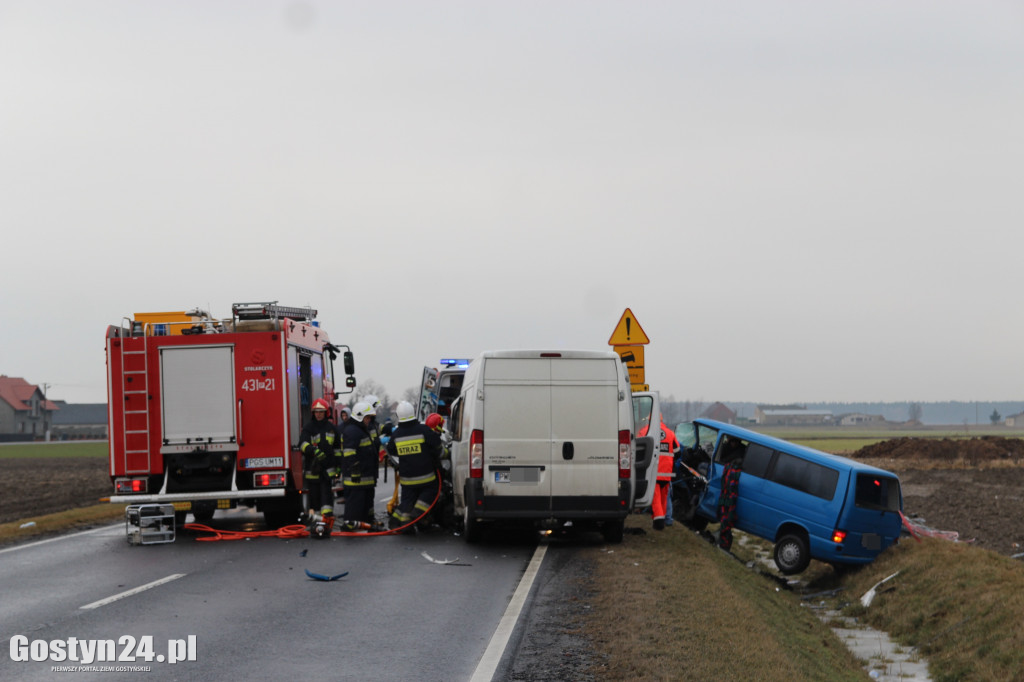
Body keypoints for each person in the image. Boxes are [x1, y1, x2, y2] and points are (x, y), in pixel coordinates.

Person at [386, 401, 443, 532]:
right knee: (431, 492)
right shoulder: (423, 430)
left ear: (398, 415)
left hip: (407, 479)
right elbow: (437, 446)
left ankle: (401, 524)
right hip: (427, 478)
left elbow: (391, 451)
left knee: (407, 500)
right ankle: (417, 513)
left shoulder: (396, 434)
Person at [298, 398, 340, 538]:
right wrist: (313, 450)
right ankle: (317, 524)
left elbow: (337, 450)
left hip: (328, 471)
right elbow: (302, 444)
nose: (318, 414)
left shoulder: (332, 429)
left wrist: (338, 467)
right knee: (315, 499)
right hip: (313, 470)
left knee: (327, 498)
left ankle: (327, 523)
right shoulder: (309, 428)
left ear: (326, 412)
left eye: (321, 412)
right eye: (316, 412)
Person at [340, 401, 381, 531]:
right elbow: (349, 453)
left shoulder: (361, 430)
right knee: (355, 504)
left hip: (365, 478)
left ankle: (367, 522)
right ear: (359, 416)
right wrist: (355, 469)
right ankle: (351, 525)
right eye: (367, 417)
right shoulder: (352, 431)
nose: (369, 420)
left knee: (367, 503)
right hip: (356, 479)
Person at [651, 420, 681, 531]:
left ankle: (658, 522)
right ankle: (664, 520)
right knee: (664, 498)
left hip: (653, 472)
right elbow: (678, 452)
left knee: (656, 498)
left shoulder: (646, 431)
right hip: (666, 473)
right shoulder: (670, 433)